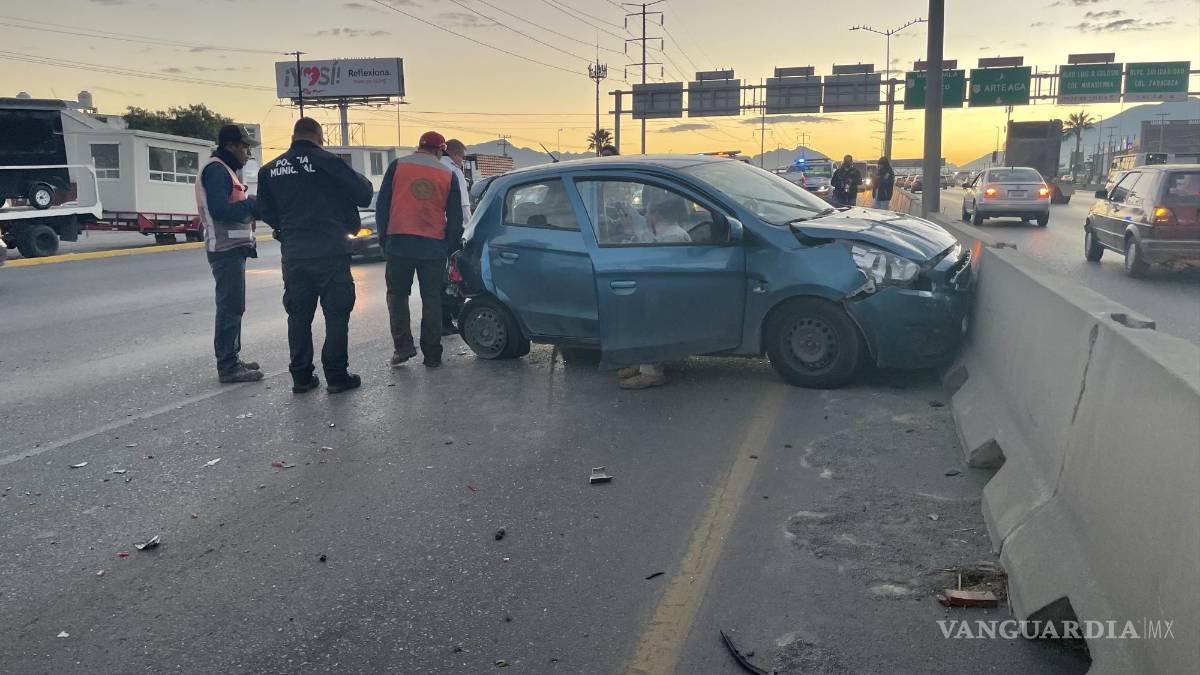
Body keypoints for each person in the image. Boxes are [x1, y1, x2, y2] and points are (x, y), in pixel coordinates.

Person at [256, 118, 374, 394]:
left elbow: (264, 210)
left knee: (298, 316)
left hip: (295, 253)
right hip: (330, 251)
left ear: (294, 136)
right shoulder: (328, 162)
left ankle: (301, 377)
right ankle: (336, 376)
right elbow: (364, 194)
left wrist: (285, 229)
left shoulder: (270, 169)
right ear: (319, 137)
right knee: (336, 313)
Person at [376, 131, 465, 369]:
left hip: (399, 242)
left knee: (397, 296)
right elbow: (455, 217)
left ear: (419, 147)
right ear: (439, 150)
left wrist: (384, 239)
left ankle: (403, 347)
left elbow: (382, 205)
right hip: (432, 246)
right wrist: (449, 246)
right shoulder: (448, 173)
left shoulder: (398, 166)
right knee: (432, 299)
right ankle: (432, 354)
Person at [196, 124, 262, 384]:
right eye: (245, 146)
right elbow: (221, 210)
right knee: (230, 307)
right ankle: (228, 365)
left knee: (235, 306)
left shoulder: (226, 171)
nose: (247, 152)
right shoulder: (217, 171)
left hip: (232, 247)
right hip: (224, 248)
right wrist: (251, 204)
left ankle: (233, 357)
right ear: (231, 146)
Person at [440, 139, 472, 334]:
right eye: (462, 157)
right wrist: (468, 228)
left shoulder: (434, 166)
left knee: (439, 277)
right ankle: (454, 315)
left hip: (432, 231)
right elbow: (463, 205)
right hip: (453, 230)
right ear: (456, 154)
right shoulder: (454, 170)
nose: (462, 161)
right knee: (454, 275)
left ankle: (441, 320)